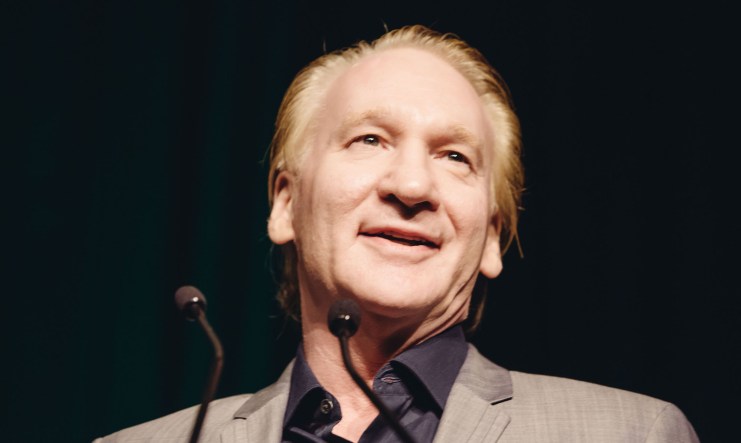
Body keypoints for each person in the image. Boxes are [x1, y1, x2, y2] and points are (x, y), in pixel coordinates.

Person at [96, 25, 699, 442]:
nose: (412, 186)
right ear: (285, 203)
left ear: (492, 237)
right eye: (370, 139)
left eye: (455, 156)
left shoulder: (634, 434)